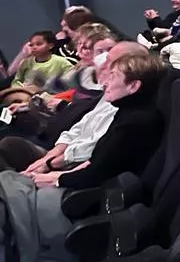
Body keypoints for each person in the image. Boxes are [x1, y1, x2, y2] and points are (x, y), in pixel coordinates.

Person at [3, 42, 147, 178]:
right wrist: (50, 157)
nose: (104, 62)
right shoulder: (95, 82)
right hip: (59, 147)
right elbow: (79, 124)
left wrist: (50, 165)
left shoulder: (125, 105)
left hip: (68, 162)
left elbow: (94, 154)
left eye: (108, 56)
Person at [2, 32, 74, 107]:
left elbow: (71, 82)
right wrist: (19, 89)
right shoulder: (26, 62)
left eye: (39, 44)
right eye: (31, 45)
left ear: (50, 46)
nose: (34, 47)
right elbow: (17, 80)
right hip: (23, 94)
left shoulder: (61, 62)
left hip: (47, 98)